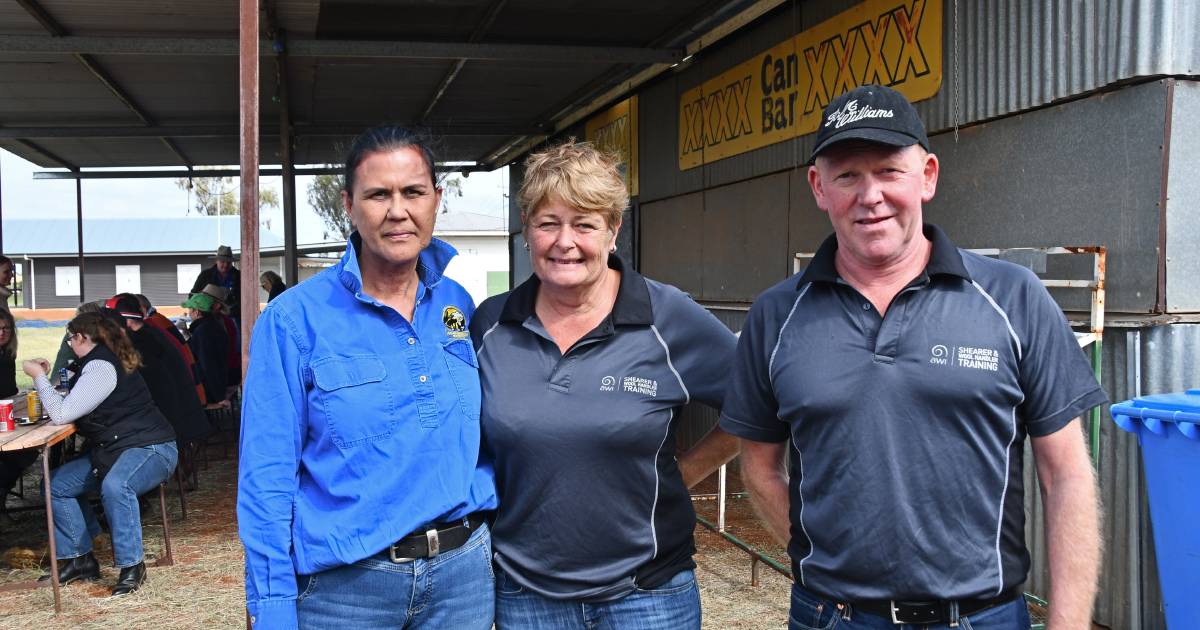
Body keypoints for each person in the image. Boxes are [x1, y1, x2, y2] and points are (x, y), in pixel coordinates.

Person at [719, 85, 1107, 630]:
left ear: (926, 175)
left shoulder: (1012, 298)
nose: (869, 195)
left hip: (983, 617)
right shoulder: (777, 315)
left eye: (888, 171)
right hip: (834, 617)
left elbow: (1065, 472)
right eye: (847, 175)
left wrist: (1069, 624)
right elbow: (759, 465)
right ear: (819, 187)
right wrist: (827, 559)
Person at [469, 141, 740, 629]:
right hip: (526, 595)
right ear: (527, 231)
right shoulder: (491, 325)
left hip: (646, 596)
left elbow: (759, 404)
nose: (564, 241)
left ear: (614, 231)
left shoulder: (668, 318)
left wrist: (687, 470)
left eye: (585, 224)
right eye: (548, 223)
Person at [238, 126, 497, 630]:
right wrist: (270, 604)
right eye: (378, 194)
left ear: (436, 200)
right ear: (348, 205)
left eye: (414, 192)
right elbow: (266, 475)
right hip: (346, 591)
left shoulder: (457, 306)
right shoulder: (294, 321)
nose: (397, 210)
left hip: (462, 580)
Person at [23, 312, 177, 596]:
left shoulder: (101, 366)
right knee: (55, 486)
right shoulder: (97, 362)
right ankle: (80, 558)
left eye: (71, 337)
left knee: (117, 485)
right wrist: (49, 378)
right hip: (118, 448)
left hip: (150, 448)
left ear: (83, 337)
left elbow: (60, 414)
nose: (69, 343)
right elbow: (72, 398)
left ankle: (133, 566)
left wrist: (39, 378)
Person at [108, 295, 210, 448]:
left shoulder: (141, 344)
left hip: (172, 425)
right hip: (183, 419)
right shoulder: (153, 332)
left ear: (125, 321)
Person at [135, 293, 207, 405]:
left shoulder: (152, 324)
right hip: (194, 386)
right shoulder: (159, 319)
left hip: (190, 392)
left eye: (190, 310)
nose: (188, 313)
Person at [0, 308, 37, 516]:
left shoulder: (7, 354)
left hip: (7, 412)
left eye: (6, 328)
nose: (2, 333)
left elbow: (10, 390)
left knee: (28, 450)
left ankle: (3, 491)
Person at [180, 293, 229, 405]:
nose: (189, 314)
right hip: (215, 385)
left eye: (190, 310)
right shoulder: (212, 326)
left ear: (197, 312)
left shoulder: (203, 332)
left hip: (207, 390)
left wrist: (219, 397)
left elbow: (209, 366)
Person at [191, 245, 241, 323]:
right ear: (216, 261)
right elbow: (193, 294)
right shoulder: (205, 275)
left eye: (228, 262)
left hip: (234, 317)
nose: (225, 265)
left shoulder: (239, 276)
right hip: (210, 316)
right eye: (222, 262)